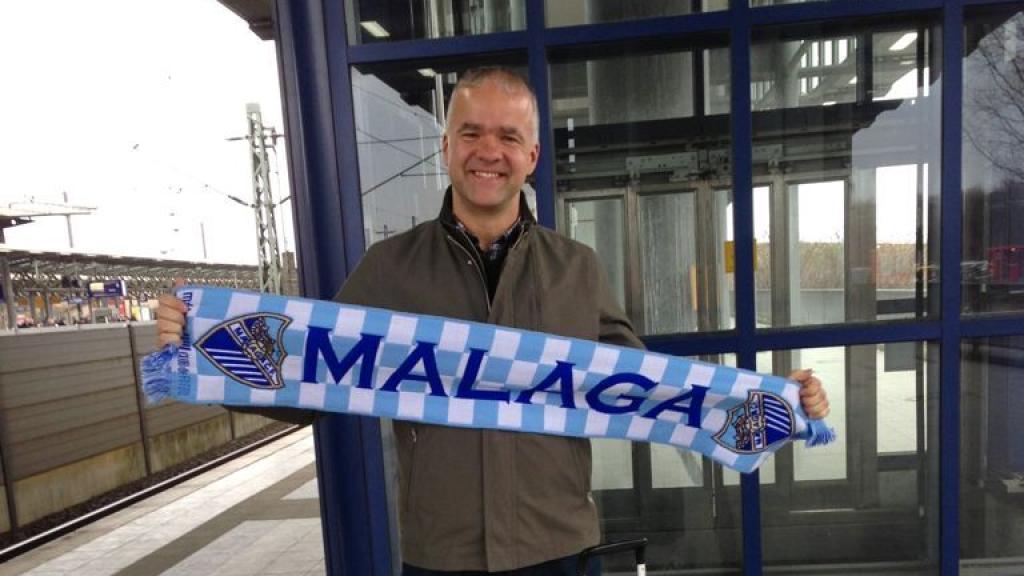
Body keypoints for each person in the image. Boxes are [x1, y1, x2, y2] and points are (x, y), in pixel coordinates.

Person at [157, 67, 830, 576]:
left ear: (531, 156)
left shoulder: (578, 268)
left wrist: (782, 404)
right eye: (473, 132)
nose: (489, 151)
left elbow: (651, 393)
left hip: (559, 546)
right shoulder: (389, 269)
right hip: (441, 553)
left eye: (509, 136)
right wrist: (197, 348)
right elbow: (310, 382)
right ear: (447, 146)